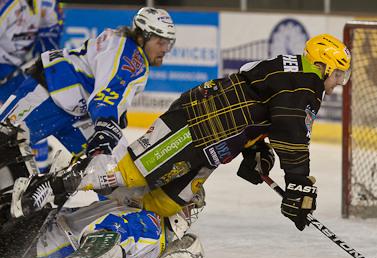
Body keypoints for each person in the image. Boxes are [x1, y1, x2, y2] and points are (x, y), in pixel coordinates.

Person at [13, 33, 352, 231]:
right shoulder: (306, 85)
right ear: (322, 65)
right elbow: (291, 131)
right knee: (127, 178)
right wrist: (299, 183)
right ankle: (53, 185)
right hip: (192, 128)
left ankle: (112, 236)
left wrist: (255, 150)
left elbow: (255, 103)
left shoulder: (285, 68)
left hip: (215, 141)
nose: (338, 84)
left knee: (166, 201)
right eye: (338, 74)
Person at [0, 6, 176, 192]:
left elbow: (105, 83)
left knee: (114, 175)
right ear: (142, 37)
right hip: (48, 93)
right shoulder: (131, 56)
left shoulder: (123, 45)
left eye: (168, 43)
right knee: (5, 141)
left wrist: (113, 118)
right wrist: (107, 124)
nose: (165, 49)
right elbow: (108, 93)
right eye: (160, 42)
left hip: (77, 110)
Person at [34, 187, 206, 258]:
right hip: (44, 254)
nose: (189, 215)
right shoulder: (150, 224)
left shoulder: (145, 217)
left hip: (38, 236)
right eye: (189, 208)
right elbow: (110, 229)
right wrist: (96, 254)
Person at [0, 0, 64, 174]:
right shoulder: (7, 7)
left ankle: (40, 169)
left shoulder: (48, 5)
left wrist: (43, 64)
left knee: (27, 119)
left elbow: (50, 41)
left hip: (17, 73)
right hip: (6, 70)